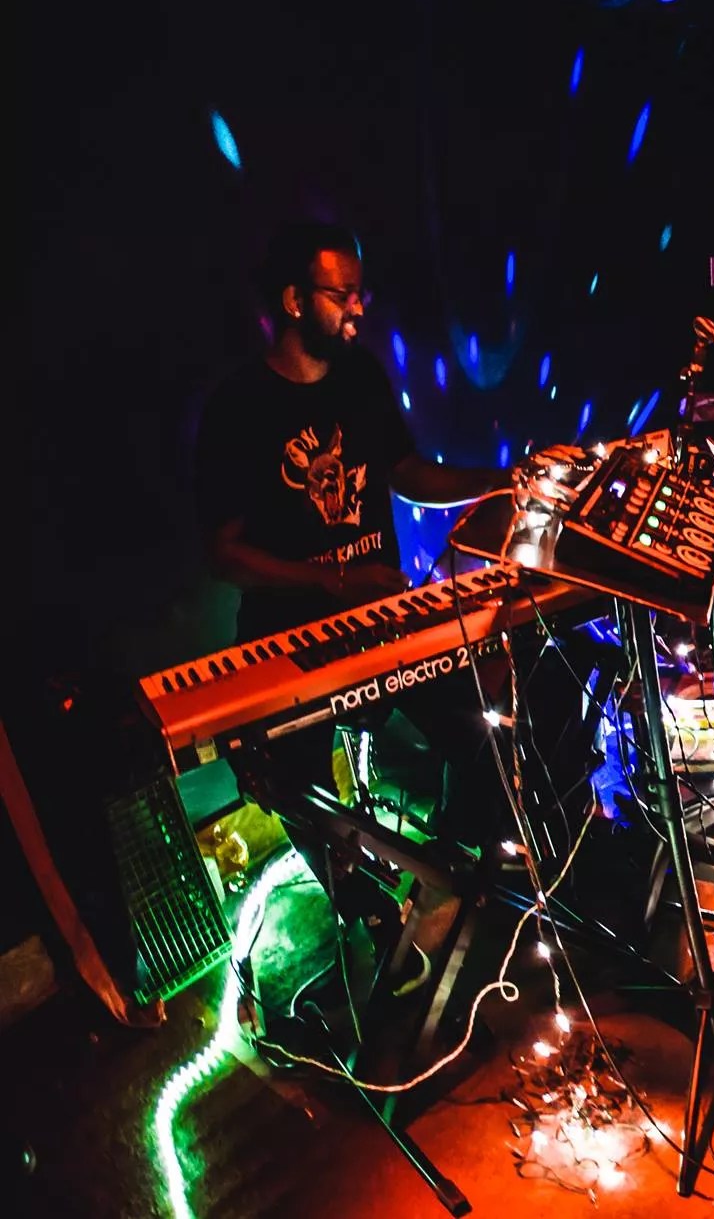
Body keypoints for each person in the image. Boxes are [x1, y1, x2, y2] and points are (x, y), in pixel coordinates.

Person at [193, 221, 537, 990]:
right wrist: (331, 582)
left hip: (378, 620)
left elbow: (408, 471)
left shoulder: (360, 377)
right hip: (288, 635)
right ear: (294, 301)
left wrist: (500, 479)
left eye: (359, 292)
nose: (358, 307)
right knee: (295, 786)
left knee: (480, 727)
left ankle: (455, 867)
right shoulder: (238, 407)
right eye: (341, 293)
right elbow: (224, 554)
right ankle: (367, 906)